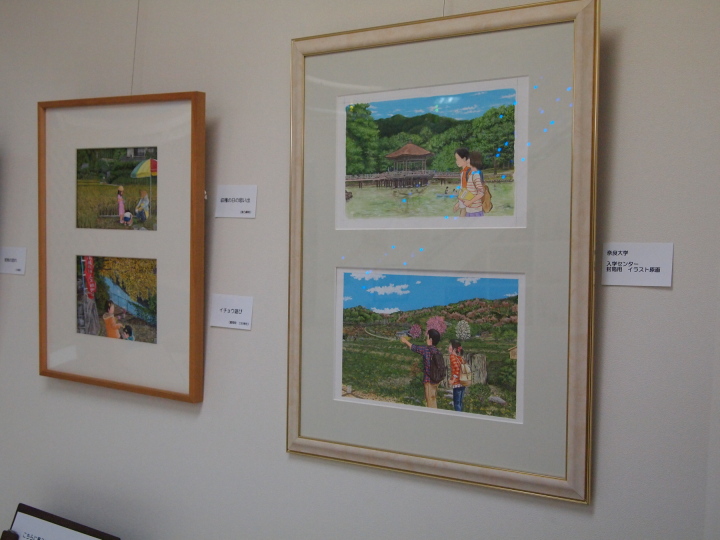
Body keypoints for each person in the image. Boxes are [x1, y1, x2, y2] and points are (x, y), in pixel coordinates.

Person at [400, 329, 442, 408]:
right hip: (436, 379)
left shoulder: (426, 349)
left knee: (429, 399)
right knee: (433, 398)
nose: (426, 339)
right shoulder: (438, 351)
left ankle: (431, 414)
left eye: (427, 337)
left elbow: (414, 347)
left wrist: (405, 341)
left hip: (429, 380)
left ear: (430, 340)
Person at [462, 151, 487, 217]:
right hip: (470, 210)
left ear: (473, 160)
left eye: (468, 159)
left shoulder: (476, 175)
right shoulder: (471, 175)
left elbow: (481, 193)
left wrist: (469, 202)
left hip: (475, 211)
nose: (466, 161)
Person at [448, 340, 466, 412]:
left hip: (457, 383)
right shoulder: (460, 358)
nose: (448, 348)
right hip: (463, 382)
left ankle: (458, 416)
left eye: (450, 347)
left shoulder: (452, 357)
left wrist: (453, 380)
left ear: (454, 349)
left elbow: (457, 369)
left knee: (456, 403)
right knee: (460, 402)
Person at [452, 148, 471, 216]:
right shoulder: (464, 172)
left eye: (458, 159)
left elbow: (466, 189)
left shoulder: (467, 172)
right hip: (466, 199)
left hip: (467, 200)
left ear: (464, 159)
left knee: (463, 214)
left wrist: (459, 203)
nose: (456, 161)